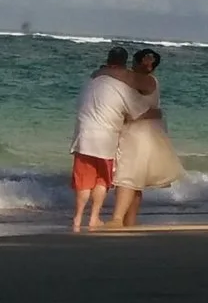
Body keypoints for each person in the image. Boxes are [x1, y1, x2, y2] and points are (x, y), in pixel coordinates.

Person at [107, 47, 184, 228]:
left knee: (127, 177)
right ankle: (130, 220)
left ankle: (118, 219)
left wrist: (104, 72)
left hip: (138, 135)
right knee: (135, 180)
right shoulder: (145, 81)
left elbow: (125, 79)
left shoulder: (146, 80)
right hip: (144, 133)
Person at [69, 46, 140, 232]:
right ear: (125, 64)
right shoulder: (122, 86)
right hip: (106, 140)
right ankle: (94, 218)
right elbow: (135, 113)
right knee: (102, 180)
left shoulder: (91, 80)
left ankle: (77, 218)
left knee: (83, 181)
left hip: (83, 137)